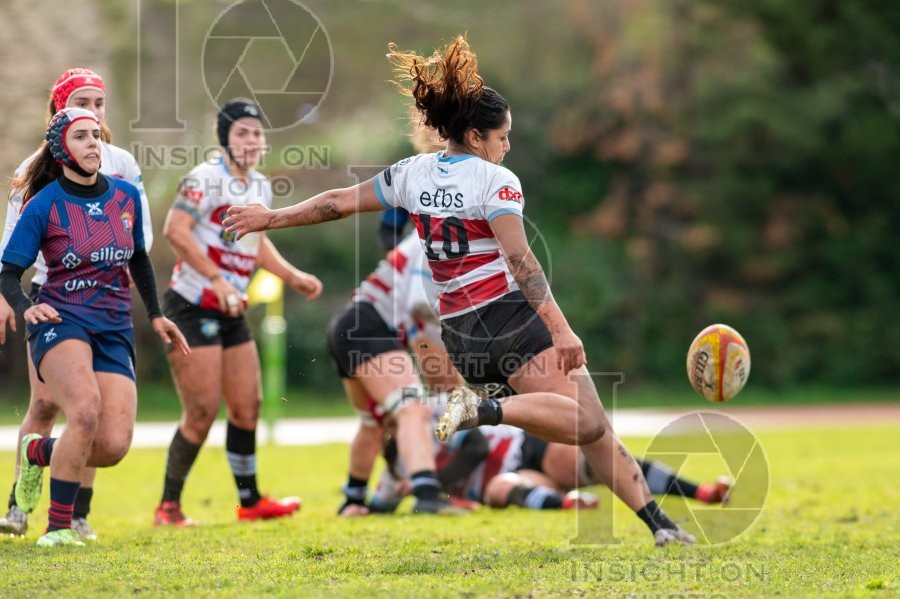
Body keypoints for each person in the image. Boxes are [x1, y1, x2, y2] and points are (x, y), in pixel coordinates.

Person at [224, 36, 695, 545]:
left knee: (592, 426)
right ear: (475, 135)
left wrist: (271, 217)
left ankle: (659, 524)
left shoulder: (411, 173)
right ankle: (485, 410)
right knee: (586, 421)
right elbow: (521, 262)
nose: (506, 146)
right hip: (509, 320)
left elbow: (337, 201)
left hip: (462, 337)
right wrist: (563, 332)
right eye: (502, 137)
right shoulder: (496, 181)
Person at [0, 107, 189, 547]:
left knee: (112, 447)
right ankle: (59, 527)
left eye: (96, 136)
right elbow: (7, 271)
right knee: (84, 410)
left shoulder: (123, 196)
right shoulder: (43, 204)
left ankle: (35, 451)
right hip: (61, 318)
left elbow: (139, 258)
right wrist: (25, 306)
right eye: (81, 137)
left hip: (114, 322)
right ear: (61, 149)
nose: (92, 144)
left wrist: (157, 314)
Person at [152, 99, 323, 527]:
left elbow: (257, 241)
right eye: (242, 132)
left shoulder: (261, 187)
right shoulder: (204, 178)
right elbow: (175, 231)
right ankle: (168, 507)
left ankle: (250, 502)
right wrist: (215, 278)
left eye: (257, 133)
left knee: (248, 406)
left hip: (230, 309)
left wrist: (293, 275)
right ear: (224, 138)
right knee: (203, 411)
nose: (251, 140)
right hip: (191, 306)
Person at [331, 231, 467, 516]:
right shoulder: (444, 236)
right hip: (368, 325)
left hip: (351, 325)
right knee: (413, 409)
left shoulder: (435, 227)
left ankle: (353, 499)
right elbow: (422, 316)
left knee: (372, 422)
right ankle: (427, 496)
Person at [371, 423, 732, 513]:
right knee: (499, 489)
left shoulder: (429, 422)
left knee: (590, 461)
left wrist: (430, 486)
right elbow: (381, 505)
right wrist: (364, 505)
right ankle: (566, 503)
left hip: (524, 448)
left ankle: (701, 492)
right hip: (507, 479)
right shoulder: (396, 466)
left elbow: (478, 447)